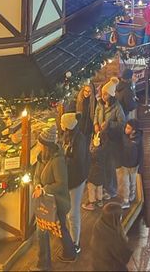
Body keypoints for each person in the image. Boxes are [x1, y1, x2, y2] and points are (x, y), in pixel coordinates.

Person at [32, 122, 77, 267]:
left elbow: (61, 184)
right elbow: (37, 175)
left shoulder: (57, 161)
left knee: (47, 230)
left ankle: (43, 265)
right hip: (46, 203)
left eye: (40, 143)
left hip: (57, 202)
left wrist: (44, 190)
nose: (38, 145)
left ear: (46, 145)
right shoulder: (41, 157)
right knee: (58, 229)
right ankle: (69, 254)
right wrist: (38, 184)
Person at [60, 112, 88, 253]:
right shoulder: (68, 135)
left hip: (76, 181)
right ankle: (70, 239)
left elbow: (78, 161)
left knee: (73, 214)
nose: (60, 125)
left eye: (62, 123)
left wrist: (62, 161)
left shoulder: (79, 139)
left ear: (68, 125)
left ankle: (75, 244)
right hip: (69, 179)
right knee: (69, 212)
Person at [94, 77, 126, 199]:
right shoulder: (100, 104)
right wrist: (95, 124)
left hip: (111, 140)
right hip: (100, 139)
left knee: (110, 165)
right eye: (102, 94)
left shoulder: (117, 107)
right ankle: (103, 186)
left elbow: (122, 122)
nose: (103, 96)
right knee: (101, 164)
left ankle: (112, 189)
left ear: (111, 95)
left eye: (106, 94)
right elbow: (96, 114)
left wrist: (109, 124)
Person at [91, 201, 133, 272]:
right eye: (120, 216)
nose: (121, 217)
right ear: (115, 218)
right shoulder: (114, 237)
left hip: (97, 265)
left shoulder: (98, 225)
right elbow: (125, 258)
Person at [116, 119, 142, 209]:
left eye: (128, 128)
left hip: (133, 164)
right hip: (125, 164)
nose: (125, 129)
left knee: (132, 181)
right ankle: (127, 199)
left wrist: (140, 164)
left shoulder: (136, 139)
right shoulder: (125, 137)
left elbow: (140, 152)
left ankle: (132, 195)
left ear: (133, 130)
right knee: (126, 183)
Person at [83, 131, 105, 211]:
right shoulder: (103, 151)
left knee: (91, 189)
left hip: (92, 175)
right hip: (101, 175)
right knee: (99, 188)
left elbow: (89, 162)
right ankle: (100, 201)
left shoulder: (93, 154)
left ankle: (91, 203)